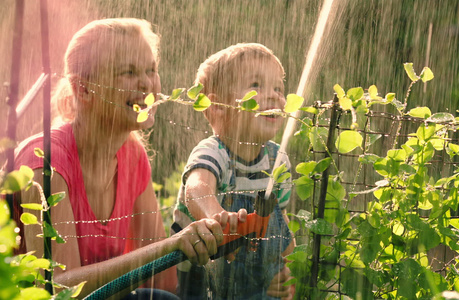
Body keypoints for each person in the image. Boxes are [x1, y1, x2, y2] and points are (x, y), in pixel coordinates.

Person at [13, 18, 223, 299]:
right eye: (128, 72)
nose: (147, 83)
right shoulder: (45, 164)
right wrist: (167, 247)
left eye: (151, 70)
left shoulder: (132, 157)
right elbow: (57, 290)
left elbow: (161, 281)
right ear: (84, 89)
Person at [172, 43, 295, 300]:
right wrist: (216, 217)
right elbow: (197, 189)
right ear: (218, 106)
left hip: (256, 286)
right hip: (203, 284)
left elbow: (282, 223)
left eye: (278, 88)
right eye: (256, 85)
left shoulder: (277, 160)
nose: (274, 96)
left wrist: (286, 271)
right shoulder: (214, 152)